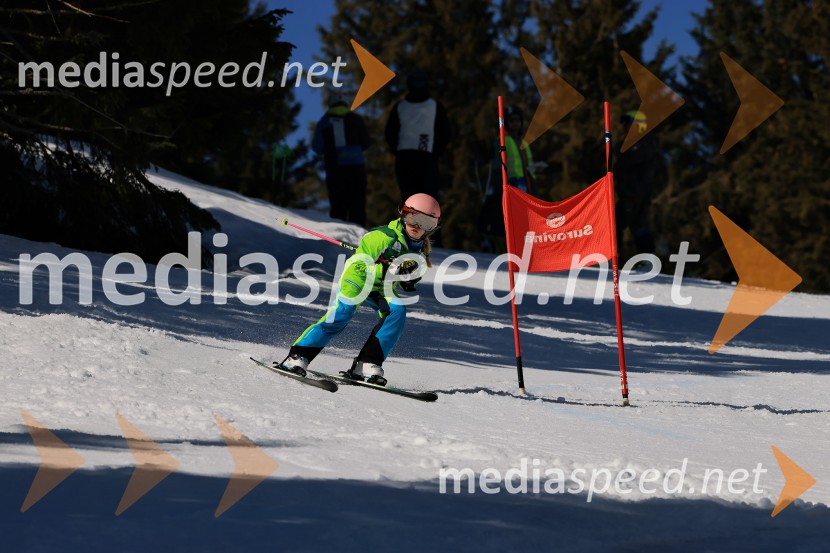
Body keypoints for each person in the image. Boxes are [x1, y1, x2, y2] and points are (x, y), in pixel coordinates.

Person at [278, 193, 441, 386]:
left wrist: (408, 275)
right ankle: (297, 356)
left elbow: (412, 279)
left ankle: (367, 364)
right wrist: (383, 266)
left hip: (381, 287)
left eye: (426, 222)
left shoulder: (421, 250)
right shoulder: (383, 236)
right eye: (412, 217)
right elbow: (359, 262)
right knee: (342, 314)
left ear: (433, 227)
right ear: (403, 214)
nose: (416, 226)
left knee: (397, 311)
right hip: (357, 278)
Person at [477, 105, 545, 252]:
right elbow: (498, 164)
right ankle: (498, 244)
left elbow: (526, 164)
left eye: (518, 120)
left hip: (526, 185)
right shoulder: (503, 140)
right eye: (511, 120)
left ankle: (527, 247)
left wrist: (535, 171)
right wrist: (499, 183)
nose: (515, 123)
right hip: (511, 184)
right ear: (506, 123)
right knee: (506, 217)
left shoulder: (523, 142)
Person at [385, 71, 450, 203]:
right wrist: (437, 151)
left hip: (404, 156)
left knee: (409, 198)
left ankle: (411, 217)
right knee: (428, 199)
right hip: (426, 155)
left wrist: (396, 150)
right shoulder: (434, 105)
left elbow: (390, 132)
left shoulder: (400, 106)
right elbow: (445, 132)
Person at [312, 89, 371, 226]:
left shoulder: (324, 122)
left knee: (338, 206)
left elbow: (317, 147)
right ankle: (359, 233)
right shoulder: (356, 119)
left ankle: (338, 233)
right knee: (357, 205)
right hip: (356, 166)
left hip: (335, 167)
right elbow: (366, 143)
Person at [614, 110, 658, 260]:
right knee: (636, 224)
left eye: (629, 124)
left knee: (617, 222)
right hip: (629, 191)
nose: (626, 128)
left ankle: (613, 256)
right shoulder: (633, 142)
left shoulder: (645, 142)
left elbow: (631, 160)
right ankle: (647, 258)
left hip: (635, 192)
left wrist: (619, 152)